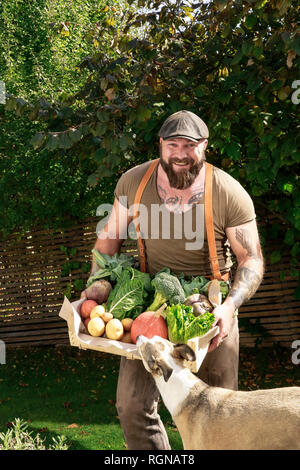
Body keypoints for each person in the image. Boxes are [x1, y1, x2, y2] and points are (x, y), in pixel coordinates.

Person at [81, 110, 264, 450]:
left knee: (223, 412)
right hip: (151, 307)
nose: (181, 153)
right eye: (173, 144)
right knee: (132, 405)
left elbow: (250, 259)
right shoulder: (133, 182)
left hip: (209, 310)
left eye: (190, 145)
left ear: (204, 146)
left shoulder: (226, 191)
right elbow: (107, 244)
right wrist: (97, 289)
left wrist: (229, 307)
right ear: (161, 145)